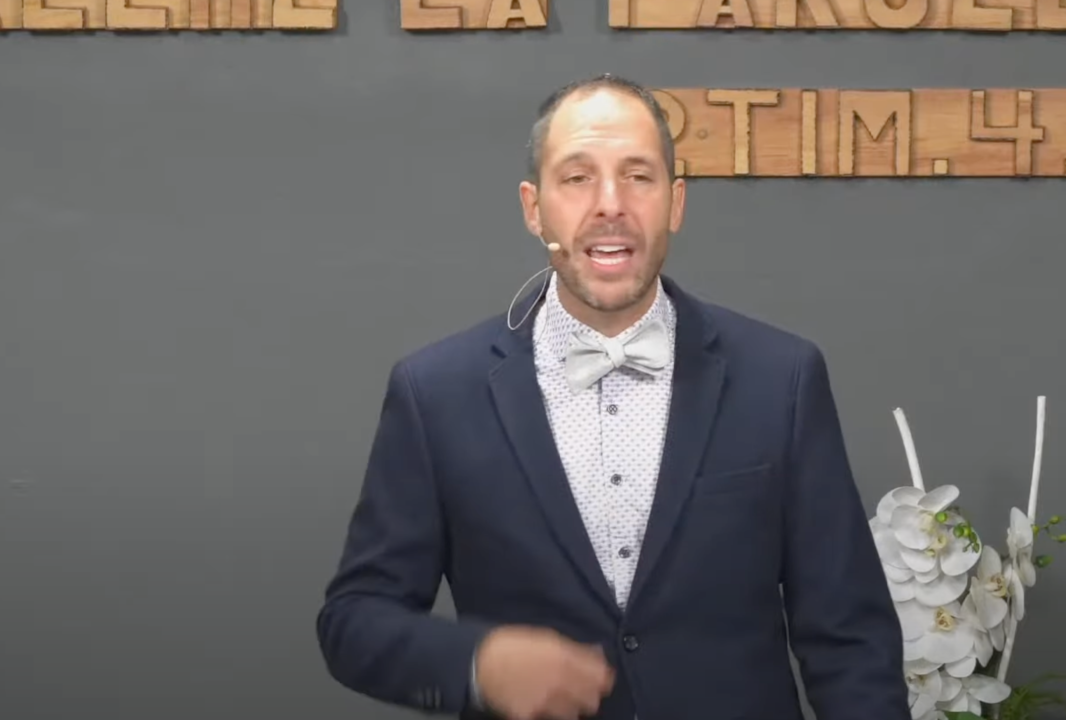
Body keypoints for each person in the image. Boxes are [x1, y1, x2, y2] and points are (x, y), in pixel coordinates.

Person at [315, 73, 910, 720]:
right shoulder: (435, 393)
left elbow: (851, 639)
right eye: (577, 178)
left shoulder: (782, 378)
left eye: (638, 176)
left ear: (675, 203)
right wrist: (477, 664)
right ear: (533, 208)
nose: (610, 204)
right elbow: (354, 620)